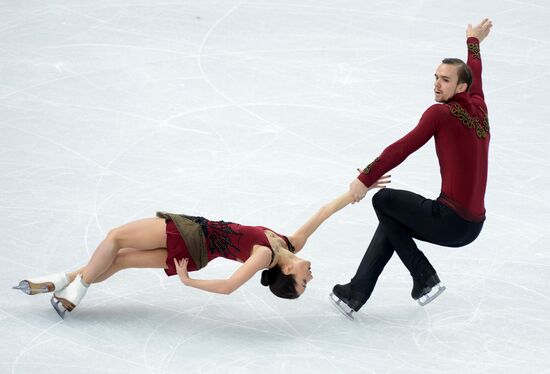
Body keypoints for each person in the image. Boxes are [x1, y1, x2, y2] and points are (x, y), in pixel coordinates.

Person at [13, 176, 389, 319]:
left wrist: (188, 284)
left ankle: (73, 290)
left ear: (286, 272)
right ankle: (61, 281)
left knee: (114, 238)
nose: (312, 276)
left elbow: (228, 288)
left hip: (191, 235)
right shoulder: (292, 243)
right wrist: (362, 185)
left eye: (305, 283)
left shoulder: (264, 256)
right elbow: (326, 211)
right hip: (197, 252)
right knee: (123, 260)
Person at [330, 19, 493, 319]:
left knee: (384, 201)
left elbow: (401, 148)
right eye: (436, 77)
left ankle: (423, 275)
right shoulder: (480, 108)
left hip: (450, 219)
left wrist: (364, 180)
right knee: (394, 219)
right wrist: (473, 42)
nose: (436, 84)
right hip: (473, 227)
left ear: (460, 86)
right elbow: (476, 74)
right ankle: (356, 292)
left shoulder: (440, 113)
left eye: (445, 79)